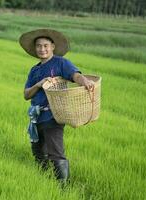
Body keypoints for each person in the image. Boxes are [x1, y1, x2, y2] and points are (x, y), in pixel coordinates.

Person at [19, 29, 94, 182]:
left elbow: (75, 75)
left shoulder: (61, 63)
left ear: (53, 46)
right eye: (39, 46)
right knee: (38, 152)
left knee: (55, 153)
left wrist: (85, 81)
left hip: (54, 115)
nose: (42, 49)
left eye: (46, 45)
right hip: (36, 117)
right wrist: (39, 84)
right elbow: (26, 95)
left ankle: (62, 188)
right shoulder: (34, 70)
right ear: (35, 49)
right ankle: (44, 180)